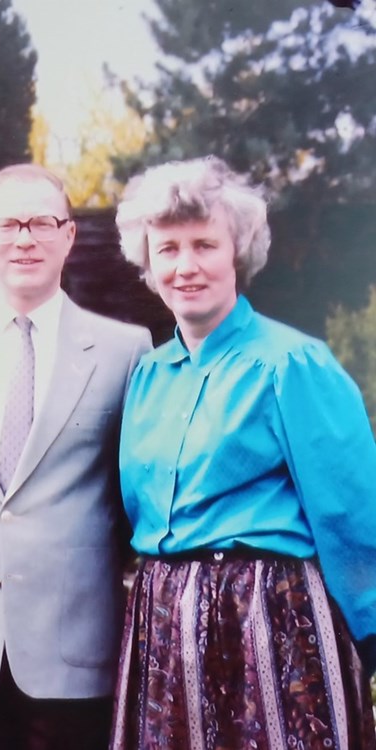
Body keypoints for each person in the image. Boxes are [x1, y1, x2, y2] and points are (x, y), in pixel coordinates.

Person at [111, 156, 376, 749]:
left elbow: (354, 514)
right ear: (148, 263)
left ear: (239, 252)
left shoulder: (291, 363)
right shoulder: (148, 375)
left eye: (204, 244)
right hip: (163, 622)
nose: (186, 266)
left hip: (272, 622)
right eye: (168, 248)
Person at [0, 163, 152, 750]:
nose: (25, 238)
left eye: (42, 222)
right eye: (8, 224)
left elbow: (129, 492)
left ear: (69, 236)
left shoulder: (124, 351)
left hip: (73, 650)